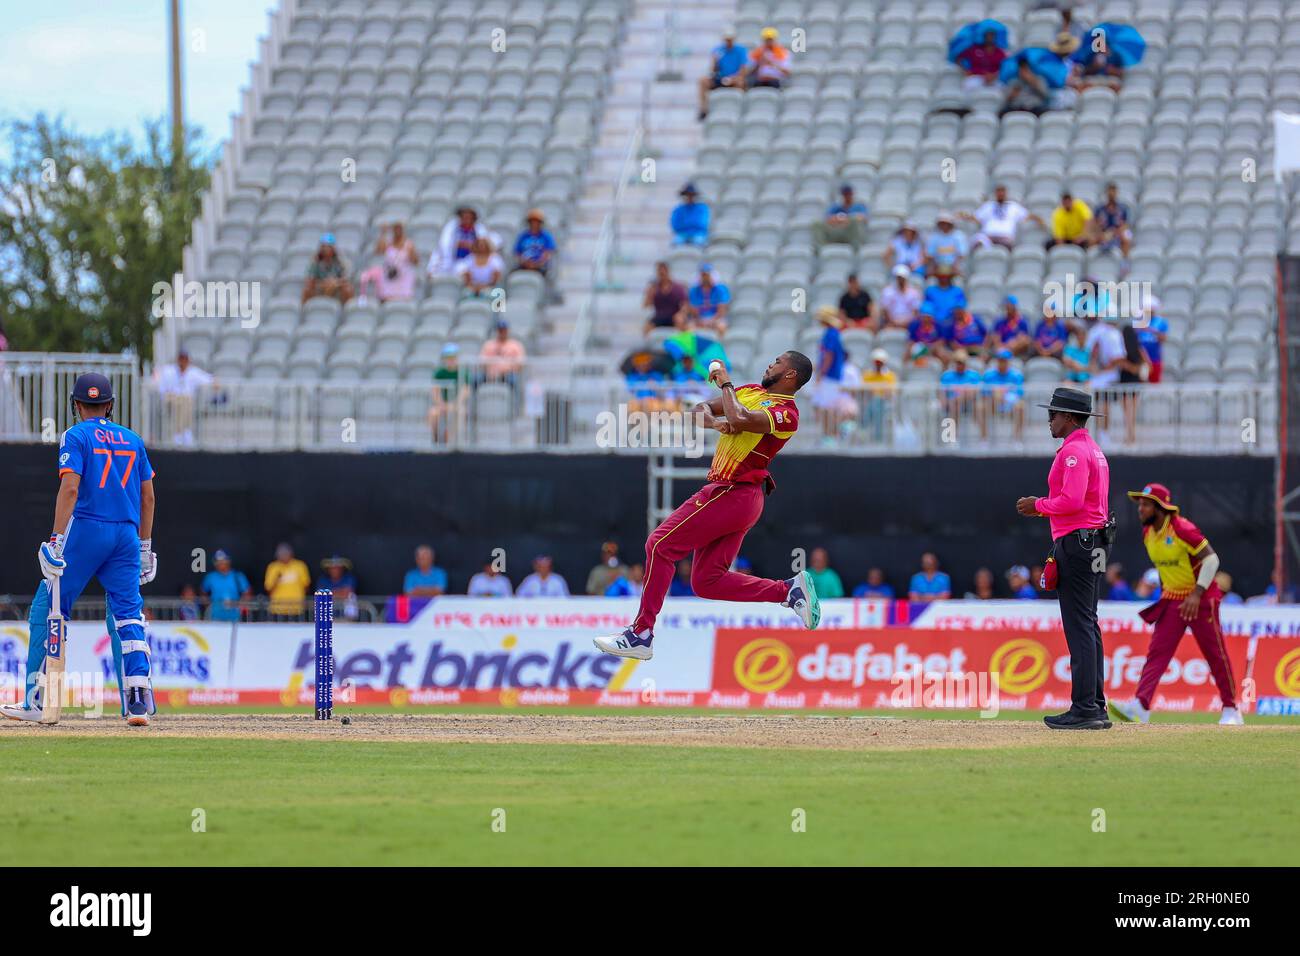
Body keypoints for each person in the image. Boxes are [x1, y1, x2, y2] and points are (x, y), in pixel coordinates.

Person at [594, 351, 820, 660]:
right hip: (737, 497)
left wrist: (725, 384)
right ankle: (788, 591)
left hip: (734, 492)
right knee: (707, 581)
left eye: (778, 362)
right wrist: (714, 422)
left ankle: (641, 633)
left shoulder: (787, 413)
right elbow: (699, 409)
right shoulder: (751, 390)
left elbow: (740, 418)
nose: (770, 363)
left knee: (659, 545)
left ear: (791, 375)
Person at [4, 373, 157, 725]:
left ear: (75, 405)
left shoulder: (75, 435)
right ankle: (138, 701)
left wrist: (56, 541)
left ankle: (37, 700)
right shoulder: (133, 440)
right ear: (111, 404)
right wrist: (146, 547)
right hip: (127, 535)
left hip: (87, 529)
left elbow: (70, 490)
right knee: (128, 616)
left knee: (48, 607)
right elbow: (148, 497)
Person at [1015, 386, 1112, 730]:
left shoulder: (1073, 452)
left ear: (1069, 418)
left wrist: (1036, 506)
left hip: (1078, 542)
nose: (1049, 421)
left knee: (1079, 625)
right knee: (1089, 622)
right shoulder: (1094, 450)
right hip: (1096, 543)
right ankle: (1095, 705)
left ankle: (1085, 707)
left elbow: (1070, 502)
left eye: (1053, 415)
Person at [1109, 484, 1243, 726]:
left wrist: (1196, 594)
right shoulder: (1148, 534)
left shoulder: (1182, 528)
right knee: (1157, 653)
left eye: (1146, 504)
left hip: (1200, 599)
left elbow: (1212, 559)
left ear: (1160, 508)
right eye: (1139, 504)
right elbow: (1165, 569)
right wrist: (1167, 595)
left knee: (1215, 654)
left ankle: (1231, 709)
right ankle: (1141, 706)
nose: (1140, 509)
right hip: (1173, 600)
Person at [156, 347, 214, 446]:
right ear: (178, 359)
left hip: (184, 403)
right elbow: (161, 388)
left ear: (188, 360)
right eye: (181, 359)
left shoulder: (193, 372)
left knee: (185, 401)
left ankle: (180, 433)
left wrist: (215, 382)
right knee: (184, 400)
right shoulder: (169, 371)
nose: (183, 362)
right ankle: (183, 433)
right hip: (170, 399)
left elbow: (208, 379)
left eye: (185, 359)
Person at [961, 184, 1045, 249]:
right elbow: (976, 218)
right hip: (988, 236)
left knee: (1006, 246)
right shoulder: (988, 206)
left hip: (1005, 237)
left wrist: (1039, 220)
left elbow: (1028, 215)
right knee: (976, 242)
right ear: (995, 193)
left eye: (1002, 192)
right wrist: (964, 216)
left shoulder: (1013, 206)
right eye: (998, 192)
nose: (1000, 194)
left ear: (1006, 193)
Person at [357, 221, 418, 304]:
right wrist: (383, 233)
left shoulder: (408, 244)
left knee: (402, 301)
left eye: (399, 229)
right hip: (389, 276)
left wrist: (410, 254)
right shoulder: (388, 243)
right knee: (386, 299)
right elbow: (378, 251)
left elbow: (415, 261)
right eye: (395, 229)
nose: (397, 231)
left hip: (403, 277)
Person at [430, 207, 498, 276]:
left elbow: (492, 243)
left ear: (473, 219)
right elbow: (444, 246)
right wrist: (456, 244)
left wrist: (471, 246)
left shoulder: (479, 230)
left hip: (471, 261)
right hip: (453, 260)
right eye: (464, 218)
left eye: (469, 218)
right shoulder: (452, 229)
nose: (466, 220)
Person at [698, 29, 748, 120]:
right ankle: (704, 110)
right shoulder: (718, 50)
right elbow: (712, 70)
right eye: (727, 39)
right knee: (703, 81)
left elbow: (743, 70)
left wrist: (733, 78)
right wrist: (715, 62)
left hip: (734, 78)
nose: (728, 42)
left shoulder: (741, 50)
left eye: (730, 39)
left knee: (740, 82)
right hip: (720, 77)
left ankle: (740, 109)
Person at [814, 183, 869, 250]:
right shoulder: (836, 207)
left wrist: (845, 219)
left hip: (850, 233)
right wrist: (841, 220)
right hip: (837, 231)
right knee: (816, 224)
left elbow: (863, 218)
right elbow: (828, 218)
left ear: (852, 194)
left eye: (849, 193)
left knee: (854, 221)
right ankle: (819, 249)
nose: (847, 196)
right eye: (845, 194)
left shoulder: (859, 206)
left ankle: (856, 249)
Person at [302, 233, 354, 304]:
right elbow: (310, 279)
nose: (325, 249)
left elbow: (346, 278)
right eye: (323, 247)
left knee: (348, 289)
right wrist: (324, 283)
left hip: (337, 287)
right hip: (319, 287)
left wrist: (335, 282)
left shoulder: (340, 261)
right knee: (307, 289)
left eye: (328, 247)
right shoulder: (315, 261)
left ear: (333, 248)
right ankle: (306, 310)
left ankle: (346, 310)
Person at [264, 542, 311, 620]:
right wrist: (276, 579)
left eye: (286, 554)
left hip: (296, 609)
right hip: (277, 609)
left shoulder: (300, 566)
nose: (284, 556)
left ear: (291, 554)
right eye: (281, 555)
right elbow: (268, 589)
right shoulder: (273, 567)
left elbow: (306, 586)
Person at [201, 549, 251, 622]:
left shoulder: (238, 576)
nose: (220, 564)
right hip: (215, 615)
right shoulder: (210, 577)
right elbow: (203, 592)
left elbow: (247, 593)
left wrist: (241, 606)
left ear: (228, 561)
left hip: (234, 615)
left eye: (223, 561)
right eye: (218, 562)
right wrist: (208, 606)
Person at [428, 343, 464, 444]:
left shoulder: (462, 372)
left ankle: (451, 440)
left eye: (453, 357)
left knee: (460, 412)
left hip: (456, 405)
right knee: (433, 413)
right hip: (442, 405)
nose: (451, 360)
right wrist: (441, 404)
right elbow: (435, 391)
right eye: (448, 357)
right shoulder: (439, 372)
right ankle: (436, 439)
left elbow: (465, 391)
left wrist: (455, 404)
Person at [644, 261, 688, 333]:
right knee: (647, 327)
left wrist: (681, 313)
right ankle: (649, 343)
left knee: (680, 321)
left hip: (673, 315)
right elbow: (646, 305)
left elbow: (684, 304)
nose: (662, 275)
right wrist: (650, 294)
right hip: (659, 316)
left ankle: (681, 342)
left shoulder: (677, 287)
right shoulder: (654, 288)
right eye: (660, 273)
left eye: (663, 272)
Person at [512, 209, 556, 279]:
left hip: (540, 265)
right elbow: (518, 253)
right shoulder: (523, 236)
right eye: (532, 221)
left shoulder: (546, 236)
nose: (534, 224)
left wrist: (537, 264)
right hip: (524, 265)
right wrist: (526, 263)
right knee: (513, 274)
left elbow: (548, 253)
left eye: (537, 222)